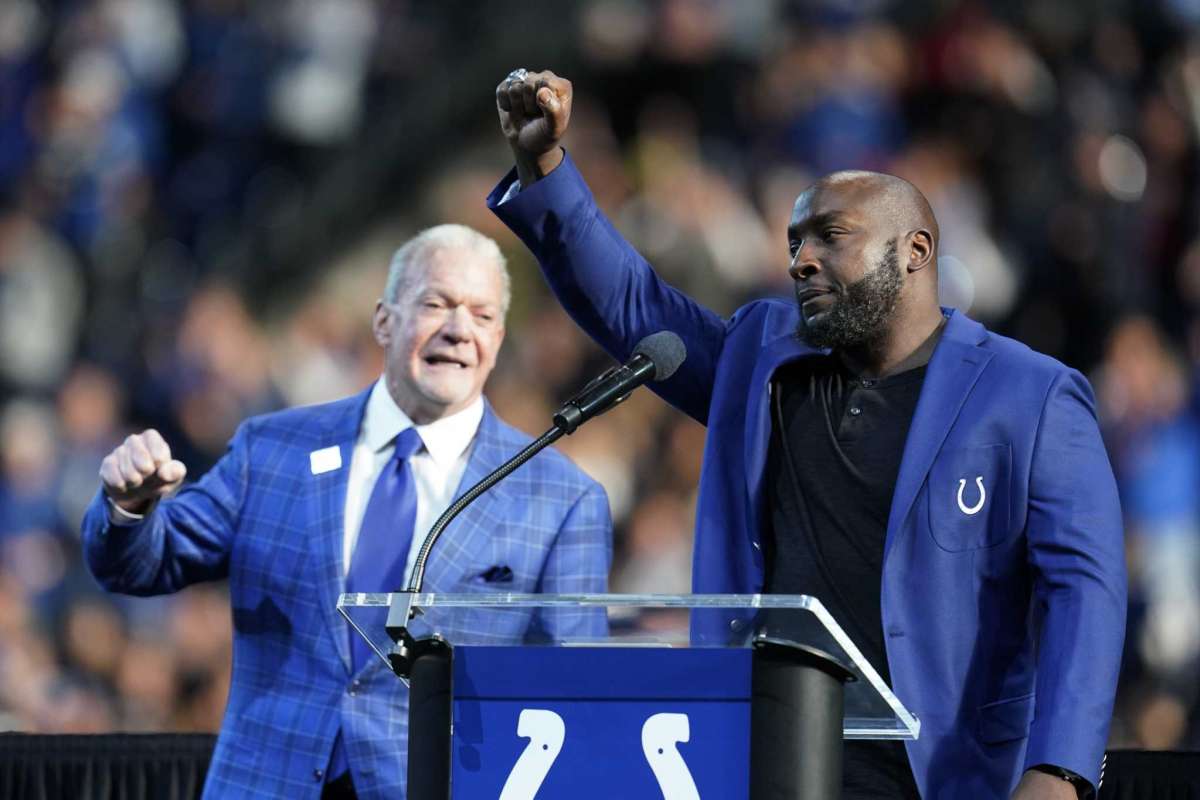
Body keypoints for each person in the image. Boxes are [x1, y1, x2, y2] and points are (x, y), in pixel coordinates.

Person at [487, 69, 1125, 800]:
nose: (800, 260)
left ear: (914, 252)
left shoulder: (1031, 392)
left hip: (951, 777)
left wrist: (1062, 767)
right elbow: (634, 304)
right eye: (794, 241)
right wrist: (544, 168)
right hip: (770, 764)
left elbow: (1087, 589)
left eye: (830, 236)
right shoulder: (762, 358)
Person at [81, 224, 613, 800]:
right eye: (437, 303)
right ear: (383, 320)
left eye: (482, 316)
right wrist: (129, 505)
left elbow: (572, 693)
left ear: (499, 338)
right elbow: (142, 564)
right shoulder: (274, 450)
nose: (460, 330)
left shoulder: (560, 498)